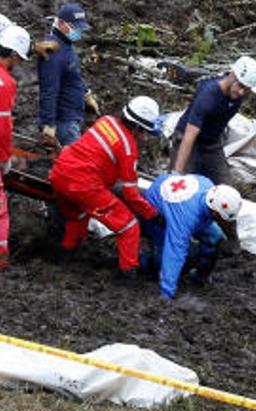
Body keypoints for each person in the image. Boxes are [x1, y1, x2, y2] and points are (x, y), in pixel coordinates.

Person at [48, 96, 161, 277]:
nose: (146, 138)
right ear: (137, 128)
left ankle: (64, 257)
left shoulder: (105, 121)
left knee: (78, 215)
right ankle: (128, 274)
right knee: (129, 226)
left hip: (60, 173)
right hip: (83, 185)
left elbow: (97, 156)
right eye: (145, 132)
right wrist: (153, 214)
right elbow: (131, 195)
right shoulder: (128, 147)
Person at [141, 173, 241, 299]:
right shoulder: (185, 218)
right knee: (182, 258)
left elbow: (228, 223)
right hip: (156, 216)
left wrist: (233, 240)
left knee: (214, 238)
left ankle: (201, 277)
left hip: (190, 211)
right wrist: (167, 293)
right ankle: (144, 263)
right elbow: (174, 253)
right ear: (215, 213)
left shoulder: (208, 186)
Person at [170, 56, 256, 185]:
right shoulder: (208, 95)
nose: (241, 92)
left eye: (246, 89)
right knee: (184, 186)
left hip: (211, 143)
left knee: (226, 189)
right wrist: (177, 172)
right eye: (240, 86)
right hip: (188, 139)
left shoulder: (239, 94)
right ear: (232, 75)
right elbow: (189, 135)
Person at [37, 3, 99, 151]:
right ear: (62, 24)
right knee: (74, 167)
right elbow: (49, 90)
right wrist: (48, 124)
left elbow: (73, 75)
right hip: (64, 121)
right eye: (75, 27)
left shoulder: (66, 44)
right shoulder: (52, 52)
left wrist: (86, 94)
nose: (78, 32)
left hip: (74, 115)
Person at [0, 25, 30, 270]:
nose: (19, 64)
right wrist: (5, 158)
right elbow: (3, 128)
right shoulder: (6, 83)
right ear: (12, 54)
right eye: (19, 59)